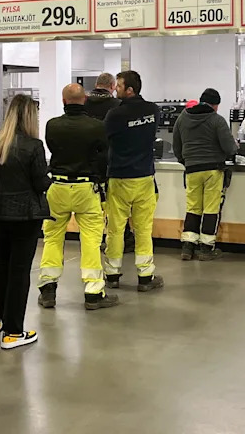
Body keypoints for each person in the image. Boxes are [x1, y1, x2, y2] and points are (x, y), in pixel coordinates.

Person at [0, 95, 50, 350]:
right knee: (19, 271)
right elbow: (40, 184)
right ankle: (14, 331)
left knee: (0, 266)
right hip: (26, 216)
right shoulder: (34, 146)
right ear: (30, 117)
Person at [38, 84, 118, 311]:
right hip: (86, 188)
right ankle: (93, 292)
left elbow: (53, 149)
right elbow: (104, 157)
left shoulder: (52, 125)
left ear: (64, 101)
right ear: (84, 100)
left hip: (58, 187)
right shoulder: (96, 127)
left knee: (52, 237)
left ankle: (48, 290)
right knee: (91, 240)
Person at [102, 71, 164, 292]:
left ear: (130, 90)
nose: (115, 89)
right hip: (144, 178)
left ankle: (112, 275)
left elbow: (104, 140)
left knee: (115, 229)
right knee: (143, 229)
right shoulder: (153, 110)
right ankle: (145, 276)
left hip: (119, 177)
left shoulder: (114, 115)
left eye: (118, 86)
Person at [173, 88, 237, 261]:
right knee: (211, 208)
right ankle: (206, 248)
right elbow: (229, 148)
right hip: (212, 170)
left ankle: (188, 246)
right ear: (215, 105)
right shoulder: (217, 120)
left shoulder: (182, 118)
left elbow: (176, 146)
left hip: (192, 170)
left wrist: (186, 161)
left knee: (193, 207)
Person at [86, 73, 134, 254]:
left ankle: (95, 239)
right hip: (112, 161)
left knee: (94, 206)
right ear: (113, 86)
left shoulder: (83, 104)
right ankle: (122, 238)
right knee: (115, 205)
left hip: (89, 163)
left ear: (97, 85)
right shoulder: (118, 106)